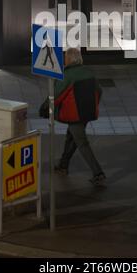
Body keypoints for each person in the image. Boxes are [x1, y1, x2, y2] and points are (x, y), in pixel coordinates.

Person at [53, 47, 106, 186]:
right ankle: (63, 166)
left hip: (74, 115)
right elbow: (99, 91)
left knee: (82, 142)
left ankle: (98, 172)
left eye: (65, 57)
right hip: (87, 113)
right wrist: (92, 105)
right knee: (71, 138)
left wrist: (46, 107)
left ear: (69, 59)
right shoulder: (89, 72)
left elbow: (56, 96)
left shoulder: (67, 75)